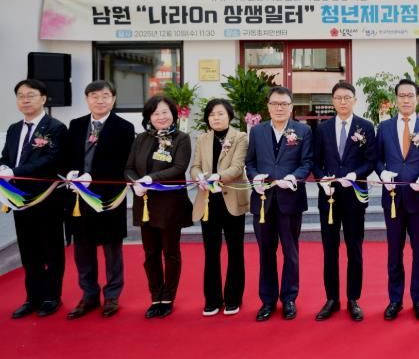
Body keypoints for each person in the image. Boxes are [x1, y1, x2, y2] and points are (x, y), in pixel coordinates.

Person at [65, 80, 134, 319]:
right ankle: (89, 295)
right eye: (94, 96)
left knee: (112, 249)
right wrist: (71, 173)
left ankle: (112, 295)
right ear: (87, 100)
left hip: (108, 198)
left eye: (105, 96)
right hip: (78, 199)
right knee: (82, 249)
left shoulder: (124, 127)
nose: (100, 100)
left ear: (113, 99)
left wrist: (92, 178)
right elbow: (67, 157)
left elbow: (123, 164)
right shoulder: (76, 125)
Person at [0, 79, 67, 319]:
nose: (25, 100)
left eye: (31, 95)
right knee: (28, 250)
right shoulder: (14, 129)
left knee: (51, 249)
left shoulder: (55, 128)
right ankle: (33, 297)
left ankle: (51, 297)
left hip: (46, 198)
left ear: (43, 98)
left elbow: (50, 160)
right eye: (20, 96)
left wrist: (15, 172)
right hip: (19, 199)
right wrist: (3, 167)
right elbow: (6, 156)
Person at [246, 86, 313, 321]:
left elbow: (307, 162)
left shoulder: (303, 130)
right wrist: (255, 178)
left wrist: (294, 177)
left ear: (291, 107)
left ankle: (289, 298)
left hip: (290, 200)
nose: (279, 108)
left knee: (290, 251)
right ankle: (267, 300)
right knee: (266, 252)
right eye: (275, 103)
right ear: (268, 106)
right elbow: (250, 162)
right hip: (263, 201)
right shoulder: (257, 131)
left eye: (284, 104)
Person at [376, 78, 419, 321]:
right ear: (396, 99)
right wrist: (382, 173)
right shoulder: (384, 128)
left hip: (418, 199)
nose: (405, 100)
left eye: (410, 95)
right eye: (401, 96)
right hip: (393, 199)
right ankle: (395, 299)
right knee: (394, 252)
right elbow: (376, 158)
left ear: (417, 99)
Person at [312, 82, 376, 321]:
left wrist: (355, 174)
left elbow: (371, 160)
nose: (342, 101)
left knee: (354, 249)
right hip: (328, 197)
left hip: (354, 196)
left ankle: (353, 299)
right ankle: (332, 299)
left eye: (347, 97)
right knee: (330, 250)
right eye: (338, 98)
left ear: (354, 100)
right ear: (332, 101)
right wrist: (321, 178)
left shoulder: (365, 127)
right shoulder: (322, 128)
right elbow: (314, 161)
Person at [125, 95, 192, 319]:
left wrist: (150, 178)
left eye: (165, 112)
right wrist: (135, 182)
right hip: (145, 203)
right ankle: (155, 297)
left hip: (170, 205)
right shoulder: (141, 138)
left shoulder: (181, 138)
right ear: (148, 117)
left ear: (173, 114)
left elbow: (179, 167)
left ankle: (168, 298)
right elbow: (129, 167)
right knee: (150, 253)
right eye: (155, 113)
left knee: (170, 253)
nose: (161, 117)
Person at [190, 99, 250, 317]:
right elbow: (195, 166)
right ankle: (212, 299)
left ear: (229, 116)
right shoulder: (202, 139)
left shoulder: (240, 137)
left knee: (235, 251)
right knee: (211, 252)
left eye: (220, 114)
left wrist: (218, 176)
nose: (215, 118)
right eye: (212, 114)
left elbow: (237, 167)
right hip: (208, 201)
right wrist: (199, 177)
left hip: (231, 199)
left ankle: (233, 298)